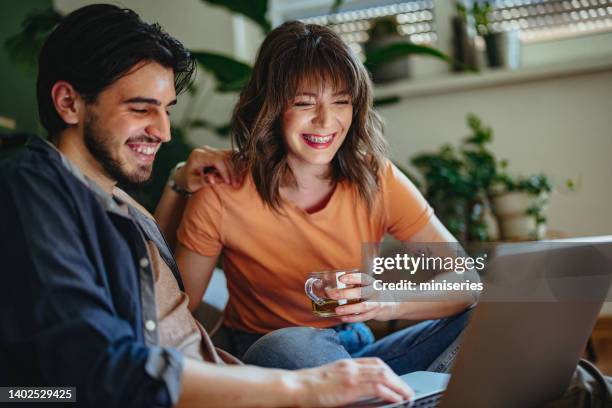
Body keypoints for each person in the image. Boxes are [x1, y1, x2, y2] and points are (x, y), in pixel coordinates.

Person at [0, 5, 414, 407]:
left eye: (166, 110)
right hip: (255, 374)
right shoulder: (32, 193)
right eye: (141, 108)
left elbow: (164, 296)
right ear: (68, 103)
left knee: (472, 332)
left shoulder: (112, 199)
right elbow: (83, 372)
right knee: (291, 349)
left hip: (238, 377)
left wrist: (178, 185)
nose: (163, 131)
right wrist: (301, 388)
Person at [166, 21, 476, 371]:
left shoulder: (376, 177)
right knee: (286, 344)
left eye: (341, 101)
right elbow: (176, 310)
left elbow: (467, 279)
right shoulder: (222, 191)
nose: (326, 120)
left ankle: (377, 395)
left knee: (489, 314)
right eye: (304, 102)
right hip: (277, 353)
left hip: (355, 348)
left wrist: (389, 301)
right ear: (269, 107)